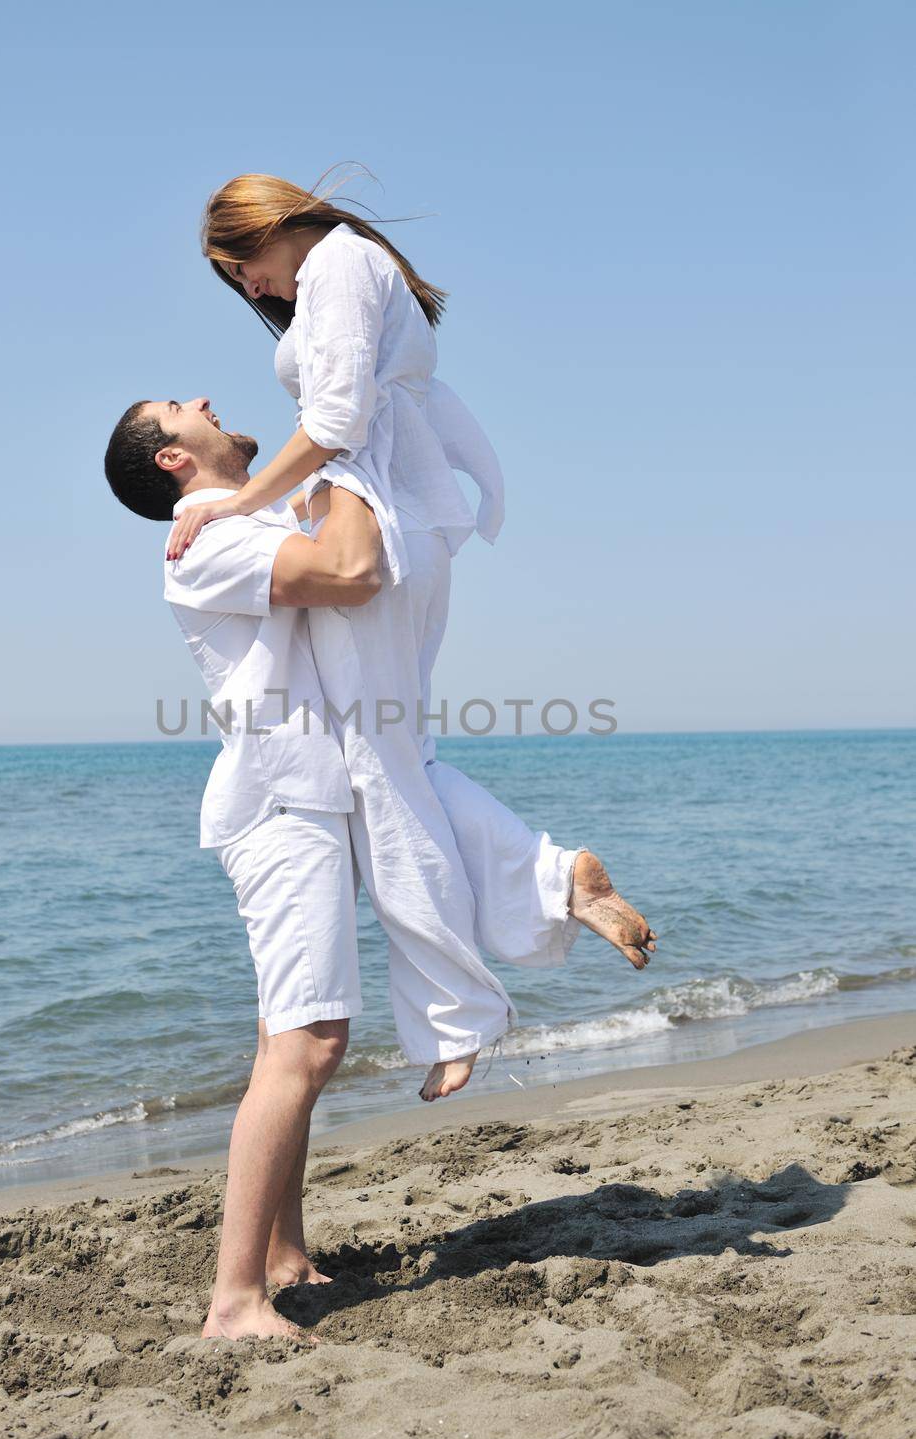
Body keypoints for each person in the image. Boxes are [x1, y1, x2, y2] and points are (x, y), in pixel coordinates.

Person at [104, 394, 655, 1341]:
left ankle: (279, 1255)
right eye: (176, 408)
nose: (202, 401)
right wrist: (345, 445)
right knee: (309, 1043)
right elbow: (351, 570)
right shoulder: (208, 543)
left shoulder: (246, 516)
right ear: (170, 464)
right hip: (283, 805)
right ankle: (234, 1302)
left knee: (289, 1033)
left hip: (328, 784)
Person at [170, 175, 655, 1097]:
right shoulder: (346, 273)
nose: (256, 294)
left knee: (375, 774)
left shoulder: (341, 266)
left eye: (246, 273)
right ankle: (555, 881)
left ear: (268, 230)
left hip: (381, 524)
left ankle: (453, 1019)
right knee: (403, 759)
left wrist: (243, 498)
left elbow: (339, 420)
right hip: (402, 523)